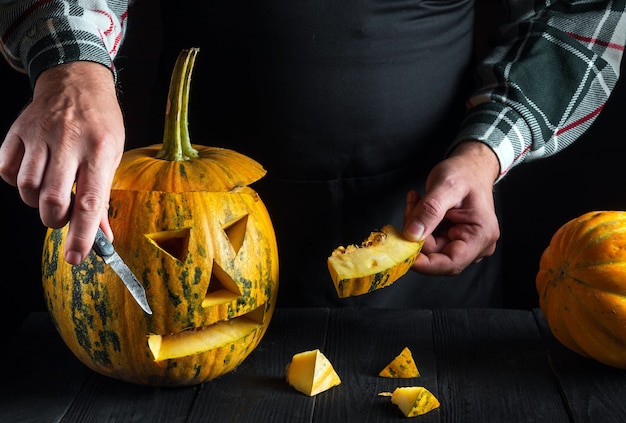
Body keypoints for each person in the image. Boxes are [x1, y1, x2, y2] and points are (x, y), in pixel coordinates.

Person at [0, 0, 624, 308]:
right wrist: (71, 65)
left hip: (428, 229)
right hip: (177, 221)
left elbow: (579, 8)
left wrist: (488, 151)